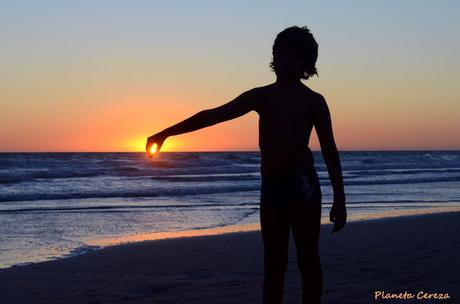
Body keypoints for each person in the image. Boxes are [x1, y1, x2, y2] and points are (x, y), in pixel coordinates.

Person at [146, 25, 346, 304]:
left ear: (305, 63)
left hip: (304, 189)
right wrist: (166, 132)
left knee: (308, 260)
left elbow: (330, 151)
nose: (283, 60)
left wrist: (340, 198)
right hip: (272, 190)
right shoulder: (261, 96)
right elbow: (212, 116)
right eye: (279, 53)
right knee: (273, 264)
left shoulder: (314, 101)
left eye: (291, 56)